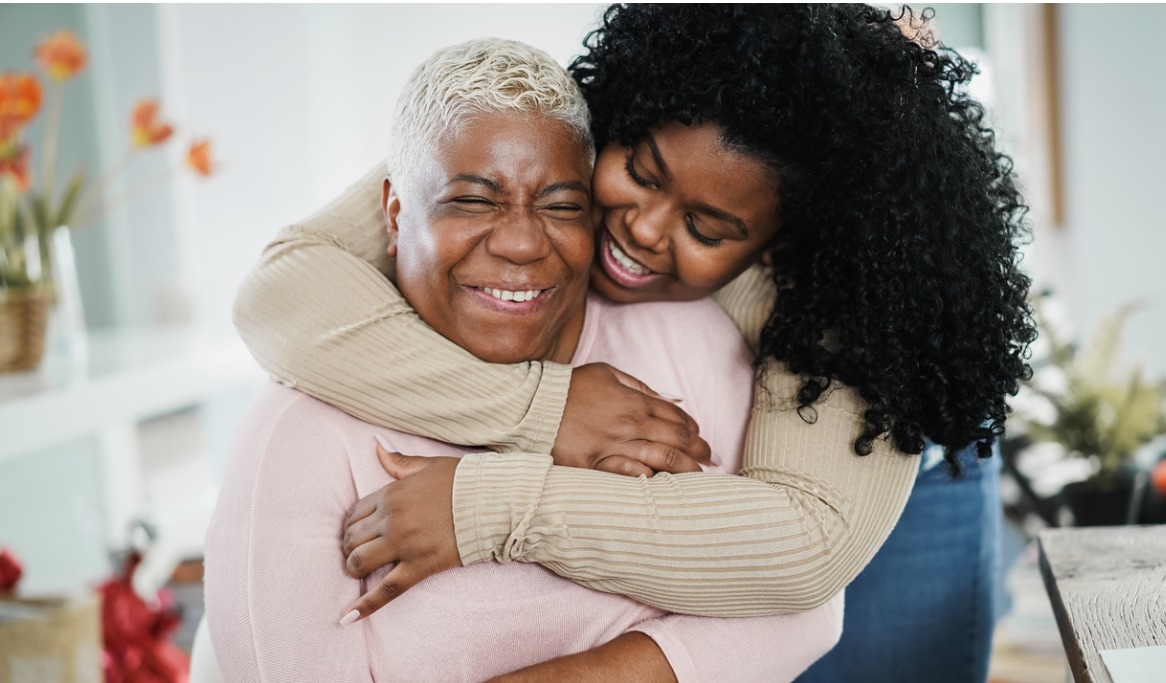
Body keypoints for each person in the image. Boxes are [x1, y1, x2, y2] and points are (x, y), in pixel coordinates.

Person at [233, 5, 1036, 682]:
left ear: (779, 242)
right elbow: (280, 289)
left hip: (891, 494)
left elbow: (801, 555)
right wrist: (543, 410)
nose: (641, 229)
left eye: (705, 227)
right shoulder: (560, 128)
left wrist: (486, 503)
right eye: (642, 173)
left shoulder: (848, 293)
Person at [205, 37, 841, 683]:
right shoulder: (301, 432)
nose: (518, 242)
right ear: (395, 213)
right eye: (473, 200)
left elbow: (804, 602)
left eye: (562, 206)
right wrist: (545, 409)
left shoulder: (689, 341)